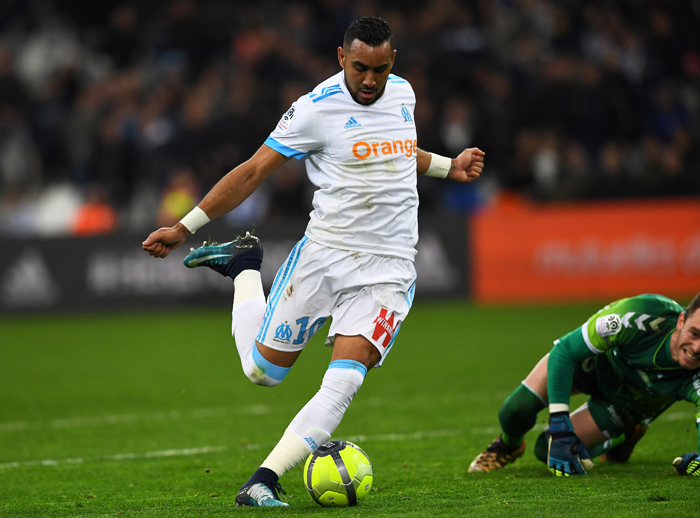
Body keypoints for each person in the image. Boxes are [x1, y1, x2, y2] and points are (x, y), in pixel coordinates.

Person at [142, 16, 485, 506]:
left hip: (388, 268)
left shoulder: (403, 94)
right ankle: (244, 268)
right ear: (341, 57)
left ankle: (263, 479)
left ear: (393, 64)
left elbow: (397, 150)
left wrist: (449, 166)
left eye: (380, 70)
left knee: (345, 378)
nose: (370, 81)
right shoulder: (313, 110)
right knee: (263, 373)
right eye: (361, 68)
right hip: (324, 255)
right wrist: (183, 227)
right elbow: (252, 171)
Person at [469, 292, 700, 477]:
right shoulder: (639, 315)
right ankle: (508, 446)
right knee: (516, 409)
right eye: (695, 333)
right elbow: (565, 351)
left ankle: (626, 434)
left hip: (631, 402)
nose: (697, 347)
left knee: (546, 450)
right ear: (681, 321)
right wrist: (560, 426)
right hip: (599, 363)